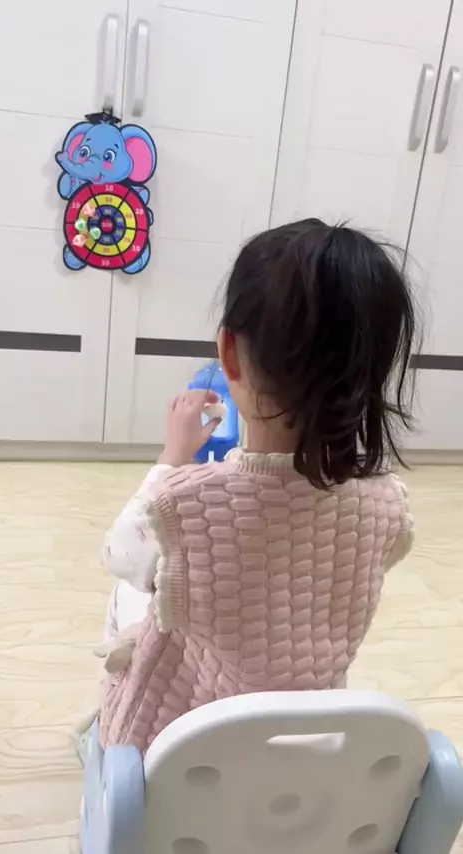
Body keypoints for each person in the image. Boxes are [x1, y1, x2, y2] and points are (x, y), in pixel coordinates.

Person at [97, 219, 416, 754]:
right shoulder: (387, 506)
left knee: (128, 591)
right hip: (306, 734)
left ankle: (102, 736)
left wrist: (174, 456)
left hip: (186, 744)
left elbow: (119, 552)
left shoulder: (183, 505)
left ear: (228, 353)